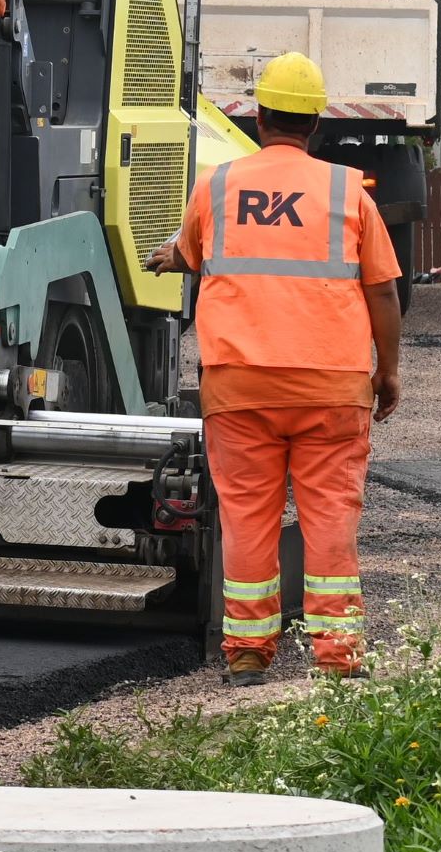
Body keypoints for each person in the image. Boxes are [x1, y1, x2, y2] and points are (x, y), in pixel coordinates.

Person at [147, 52, 404, 679]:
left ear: (259, 118)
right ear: (315, 124)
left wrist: (164, 260)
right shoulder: (348, 191)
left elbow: (187, 252)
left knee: (247, 521)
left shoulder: (216, 187)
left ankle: (247, 655)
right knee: (330, 521)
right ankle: (338, 658)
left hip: (239, 389)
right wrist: (387, 371)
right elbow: (382, 293)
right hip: (332, 388)